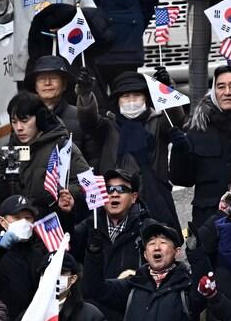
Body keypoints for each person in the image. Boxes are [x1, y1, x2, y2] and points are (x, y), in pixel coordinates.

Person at [74, 73, 182, 231]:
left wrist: (168, 89)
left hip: (155, 198)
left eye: (137, 95)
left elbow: (176, 118)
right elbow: (88, 120)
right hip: (115, 196)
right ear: (117, 101)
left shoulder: (158, 123)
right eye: (125, 96)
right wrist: (85, 95)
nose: (131, 101)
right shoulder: (108, 126)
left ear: (145, 98)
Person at [170, 66, 231, 232]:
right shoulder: (198, 128)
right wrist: (180, 152)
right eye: (221, 87)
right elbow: (182, 179)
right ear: (213, 91)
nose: (227, 92)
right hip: (207, 221)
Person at [70, 169, 152, 321]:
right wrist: (66, 214)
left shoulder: (146, 229)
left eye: (121, 189)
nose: (114, 194)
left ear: (134, 197)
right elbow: (67, 248)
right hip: (93, 318)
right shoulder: (90, 225)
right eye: (108, 189)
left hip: (129, 315)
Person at [0, 93, 88, 216]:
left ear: (40, 118)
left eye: (24, 121)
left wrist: (62, 194)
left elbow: (85, 182)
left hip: (54, 225)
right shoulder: (9, 153)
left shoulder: (61, 147)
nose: (19, 128)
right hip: (18, 226)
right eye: (14, 122)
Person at [0, 195, 51, 321]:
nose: (23, 222)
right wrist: (0, 248)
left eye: (27, 218)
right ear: (3, 222)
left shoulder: (38, 247)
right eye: (17, 218)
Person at [56, 253, 112, 321]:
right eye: (49, 272)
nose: (55, 277)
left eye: (62, 272)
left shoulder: (92, 317)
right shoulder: (28, 317)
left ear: (73, 278)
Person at [23, 55, 83, 138]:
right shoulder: (23, 117)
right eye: (42, 79)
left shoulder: (80, 116)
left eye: (53, 78)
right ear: (35, 86)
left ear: (64, 84)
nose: (47, 83)